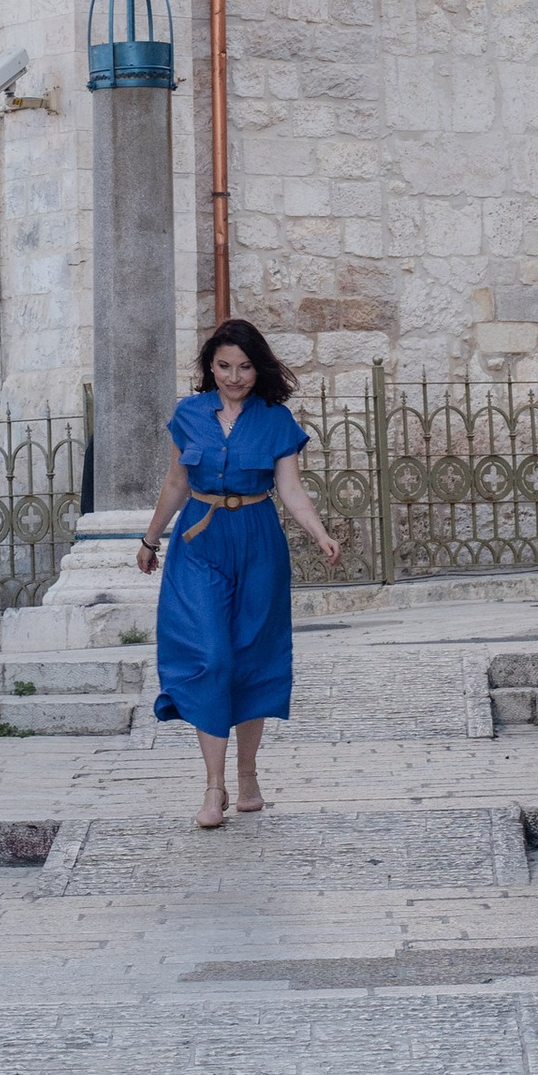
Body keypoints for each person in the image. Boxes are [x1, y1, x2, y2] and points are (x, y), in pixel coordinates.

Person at [135, 318, 342, 829]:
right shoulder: (188, 414)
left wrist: (318, 532)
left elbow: (289, 488)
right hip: (199, 542)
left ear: (258, 368)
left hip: (258, 542)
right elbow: (176, 482)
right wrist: (150, 538)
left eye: (245, 367)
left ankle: (247, 776)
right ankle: (214, 786)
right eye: (224, 366)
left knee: (252, 656)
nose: (234, 377)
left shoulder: (276, 420)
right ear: (210, 367)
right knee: (210, 655)